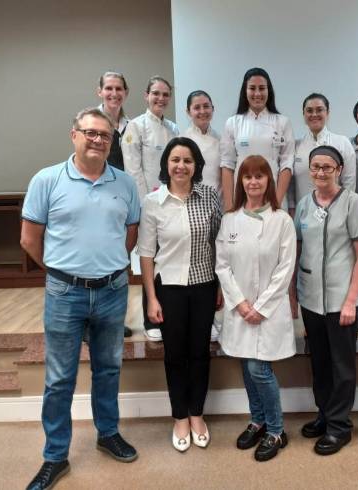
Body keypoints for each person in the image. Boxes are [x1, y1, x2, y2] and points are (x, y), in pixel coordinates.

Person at [21, 108, 140, 490]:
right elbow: (29, 239)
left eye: (105, 135)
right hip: (64, 294)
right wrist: (64, 270)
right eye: (90, 132)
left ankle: (108, 434)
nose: (98, 140)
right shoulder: (47, 180)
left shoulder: (125, 183)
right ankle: (55, 456)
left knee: (109, 369)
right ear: (74, 135)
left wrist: (105, 265)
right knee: (59, 379)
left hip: (112, 291)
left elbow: (130, 234)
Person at [137, 137, 222, 453]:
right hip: (168, 288)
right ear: (166, 164)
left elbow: (219, 244)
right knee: (174, 355)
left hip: (204, 285)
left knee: (200, 353)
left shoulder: (209, 196)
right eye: (175, 160)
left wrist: (220, 286)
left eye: (188, 160)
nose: (181, 166)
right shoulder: (153, 202)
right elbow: (146, 253)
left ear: (196, 165)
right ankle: (180, 417)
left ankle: (197, 414)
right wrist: (151, 298)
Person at [216, 155, 296, 462]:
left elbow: (285, 269)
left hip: (268, 311)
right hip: (240, 309)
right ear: (241, 182)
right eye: (247, 176)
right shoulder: (230, 220)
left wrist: (260, 307)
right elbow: (222, 266)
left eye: (259, 176)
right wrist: (240, 303)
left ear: (268, 181)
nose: (253, 182)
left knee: (259, 369)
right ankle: (258, 420)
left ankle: (276, 430)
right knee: (247, 368)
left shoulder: (282, 221)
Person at [294, 145, 358, 456]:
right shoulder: (304, 205)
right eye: (315, 166)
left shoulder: (353, 203)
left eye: (327, 167)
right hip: (311, 300)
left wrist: (351, 301)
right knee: (320, 363)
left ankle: (340, 426)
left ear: (339, 170)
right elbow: (299, 249)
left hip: (342, 301)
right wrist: (294, 294)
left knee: (342, 365)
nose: (321, 172)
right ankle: (325, 415)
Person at [122, 75, 179, 342]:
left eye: (165, 94)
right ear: (146, 95)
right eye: (156, 93)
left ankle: (171, 314)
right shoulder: (135, 127)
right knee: (150, 261)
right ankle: (150, 319)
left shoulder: (173, 128)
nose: (161, 98)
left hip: (173, 204)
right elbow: (133, 170)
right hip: (149, 206)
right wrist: (148, 205)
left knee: (170, 260)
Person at [220, 67, 295, 210]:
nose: (257, 93)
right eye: (252, 88)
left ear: (269, 91)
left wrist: (277, 203)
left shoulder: (282, 122)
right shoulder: (233, 123)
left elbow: (287, 164)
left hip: (274, 198)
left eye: (262, 88)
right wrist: (229, 206)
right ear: (245, 91)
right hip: (241, 199)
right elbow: (227, 165)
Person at [183, 90, 224, 342]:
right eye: (196, 107)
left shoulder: (221, 139)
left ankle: (214, 318)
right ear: (188, 111)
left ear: (213, 108)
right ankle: (192, 317)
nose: (202, 111)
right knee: (196, 265)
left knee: (217, 262)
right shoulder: (183, 140)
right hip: (191, 208)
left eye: (206, 106)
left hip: (217, 207)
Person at [96, 71, 133, 338]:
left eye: (119, 89)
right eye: (109, 88)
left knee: (121, 260)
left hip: (123, 199)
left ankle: (116, 321)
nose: (114, 93)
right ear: (100, 91)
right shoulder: (91, 121)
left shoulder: (132, 125)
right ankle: (94, 322)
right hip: (98, 199)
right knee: (99, 260)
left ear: (126, 93)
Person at [290, 93, 356, 211]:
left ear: (327, 113)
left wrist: (344, 211)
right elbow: (291, 184)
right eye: (309, 111)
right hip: (304, 212)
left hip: (336, 212)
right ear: (304, 115)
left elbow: (349, 182)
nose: (314, 114)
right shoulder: (296, 146)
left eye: (319, 110)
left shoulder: (342, 143)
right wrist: (292, 208)